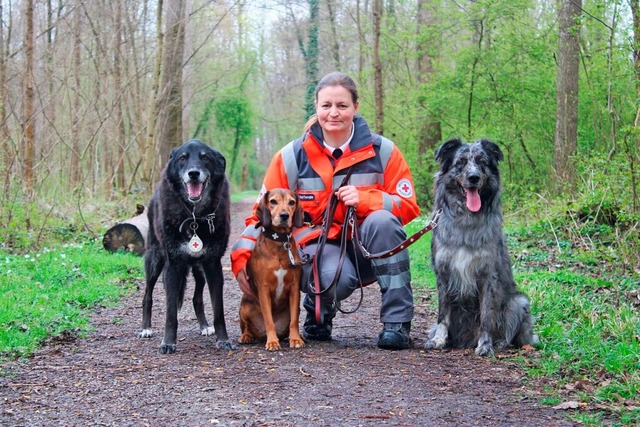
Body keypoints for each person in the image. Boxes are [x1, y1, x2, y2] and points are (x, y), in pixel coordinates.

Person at [230, 71, 420, 350]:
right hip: (320, 251)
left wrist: (367, 200)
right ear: (316, 107)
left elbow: (408, 205)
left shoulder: (384, 151)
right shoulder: (290, 157)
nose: (334, 113)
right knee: (331, 277)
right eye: (326, 106)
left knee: (383, 221)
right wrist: (241, 256)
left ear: (356, 107)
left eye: (342, 106)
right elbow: (262, 215)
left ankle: (397, 324)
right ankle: (319, 311)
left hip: (370, 247)